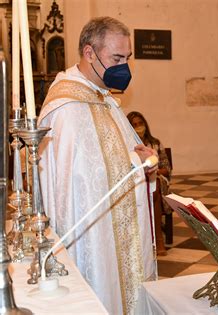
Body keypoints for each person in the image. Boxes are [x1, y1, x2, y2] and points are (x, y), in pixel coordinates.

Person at [38, 17, 157, 314]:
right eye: (116, 58)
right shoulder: (65, 108)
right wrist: (134, 163)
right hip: (92, 236)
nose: (124, 67)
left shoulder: (104, 99)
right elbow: (77, 184)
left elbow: (118, 157)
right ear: (89, 53)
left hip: (119, 231)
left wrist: (146, 166)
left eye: (127, 58)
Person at [127, 111, 171, 256]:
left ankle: (158, 238)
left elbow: (167, 168)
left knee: (155, 186)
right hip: (136, 182)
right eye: (134, 125)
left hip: (157, 179)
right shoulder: (128, 145)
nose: (139, 127)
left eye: (141, 123)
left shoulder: (155, 143)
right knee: (148, 187)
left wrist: (154, 171)